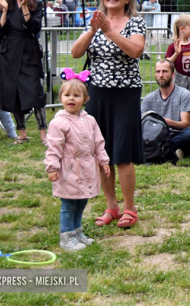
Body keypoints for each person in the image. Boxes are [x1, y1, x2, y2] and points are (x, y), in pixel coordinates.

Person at [71, 0, 146, 229]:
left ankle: (130, 208)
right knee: (101, 155)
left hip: (125, 93)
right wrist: (94, 29)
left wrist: (109, 32)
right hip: (98, 93)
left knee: (123, 154)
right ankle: (111, 206)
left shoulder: (135, 22)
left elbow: (135, 50)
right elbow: (75, 52)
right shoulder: (95, 21)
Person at [45, 71, 110, 250]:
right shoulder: (58, 123)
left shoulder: (90, 120)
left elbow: (98, 142)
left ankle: (77, 231)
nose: (71, 99)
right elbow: (54, 147)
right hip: (68, 170)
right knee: (69, 203)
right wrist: (52, 168)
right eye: (67, 95)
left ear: (85, 98)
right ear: (61, 98)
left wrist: (104, 161)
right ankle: (66, 236)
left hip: (86, 167)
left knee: (81, 201)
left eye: (76, 95)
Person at [0, 0, 47, 146]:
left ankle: (43, 133)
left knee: (35, 91)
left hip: (28, 52)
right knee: (12, 91)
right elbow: (0, 31)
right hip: (10, 54)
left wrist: (24, 6)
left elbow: (33, 27)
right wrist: (5, 10)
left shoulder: (36, 5)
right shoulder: (5, 3)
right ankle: (21, 133)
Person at [142, 60, 190, 160]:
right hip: (156, 137)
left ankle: (156, 151)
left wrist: (164, 122)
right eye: (158, 71)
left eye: (165, 71)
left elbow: (186, 124)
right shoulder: (148, 99)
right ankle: (171, 151)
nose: (161, 75)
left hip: (177, 135)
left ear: (173, 75)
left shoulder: (183, 94)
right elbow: (142, 125)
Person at [165, 15, 190, 141]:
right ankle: (182, 137)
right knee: (181, 111)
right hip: (180, 83)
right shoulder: (173, 46)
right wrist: (176, 54)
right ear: (181, 29)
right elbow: (167, 64)